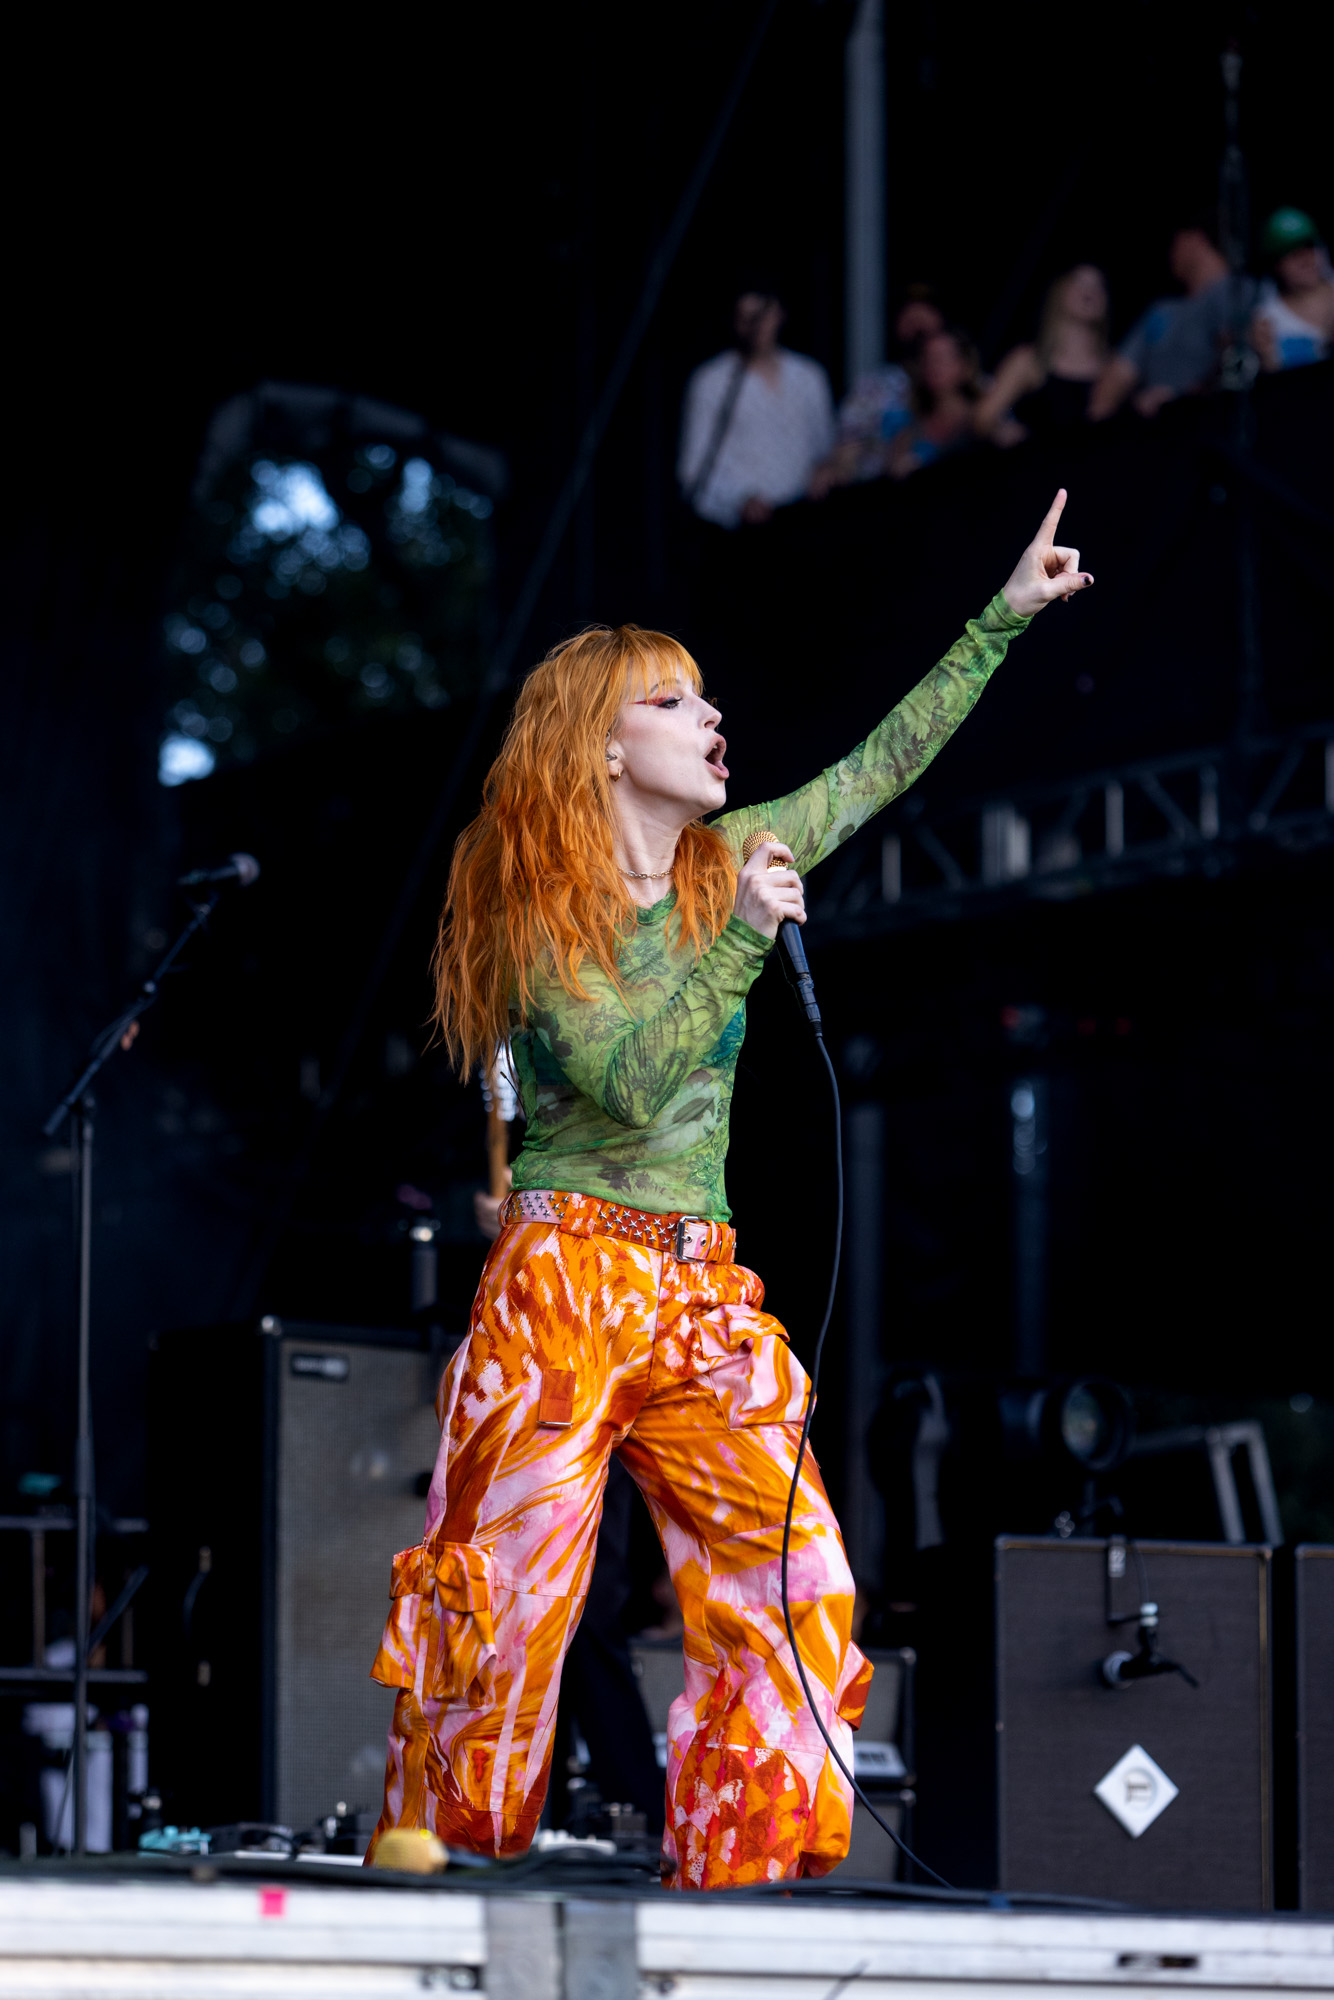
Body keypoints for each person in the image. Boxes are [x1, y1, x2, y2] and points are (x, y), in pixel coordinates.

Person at [365, 492, 1094, 1889]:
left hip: (701, 1285)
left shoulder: (727, 862)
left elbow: (875, 770)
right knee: (498, 1609)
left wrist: (998, 617)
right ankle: (439, 1882)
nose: (710, 717)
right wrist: (748, 940)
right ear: (599, 746)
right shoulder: (536, 911)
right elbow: (627, 1082)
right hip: (563, 1283)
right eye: (670, 699)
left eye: (704, 697)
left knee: (795, 1578)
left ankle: (736, 1885)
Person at [678, 286, 835, 528]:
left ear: (779, 314)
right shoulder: (713, 381)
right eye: (746, 318)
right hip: (738, 528)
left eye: (763, 315)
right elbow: (693, 470)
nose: (756, 326)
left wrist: (826, 471)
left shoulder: (809, 376)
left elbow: (825, 449)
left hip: (804, 521)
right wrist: (739, 499)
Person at [1090, 217, 1256, 420]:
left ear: (1195, 239)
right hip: (1157, 430)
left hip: (1208, 423)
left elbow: (1238, 355)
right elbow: (1119, 374)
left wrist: (1183, 398)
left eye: (1175, 242)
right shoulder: (1163, 310)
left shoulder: (1235, 291)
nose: (1171, 253)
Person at [809, 288, 945, 495]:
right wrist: (837, 469)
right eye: (909, 317)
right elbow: (847, 448)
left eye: (925, 316)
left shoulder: (967, 384)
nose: (917, 325)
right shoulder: (873, 388)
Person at [975, 266, 1111, 445]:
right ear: (1060, 290)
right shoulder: (1029, 360)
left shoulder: (1114, 367)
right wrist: (1001, 431)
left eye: (1098, 286)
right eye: (1079, 282)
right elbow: (982, 417)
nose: (1090, 291)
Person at [887, 327, 982, 478]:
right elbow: (893, 471)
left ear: (966, 366)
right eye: (928, 359)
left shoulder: (983, 415)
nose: (933, 365)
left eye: (942, 358)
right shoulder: (909, 424)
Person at [1252, 208, 1334, 371]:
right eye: (1292, 254)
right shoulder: (1267, 320)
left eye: (1308, 247)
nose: (1305, 260)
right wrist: (1264, 358)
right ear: (1276, 264)